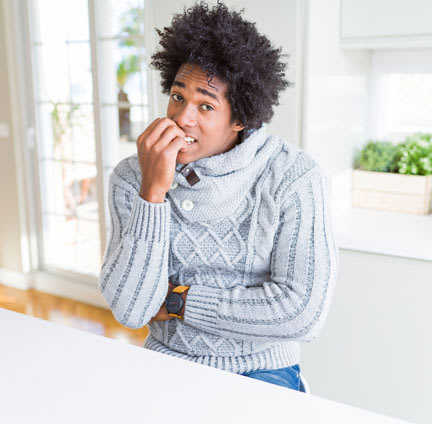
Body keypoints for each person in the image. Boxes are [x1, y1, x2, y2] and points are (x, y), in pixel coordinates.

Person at [99, 1, 338, 392]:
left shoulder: (294, 176)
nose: (182, 118)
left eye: (205, 105)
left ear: (240, 117)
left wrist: (178, 302)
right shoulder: (133, 176)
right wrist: (153, 193)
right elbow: (131, 309)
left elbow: (301, 313)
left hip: (261, 370)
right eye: (178, 96)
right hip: (166, 362)